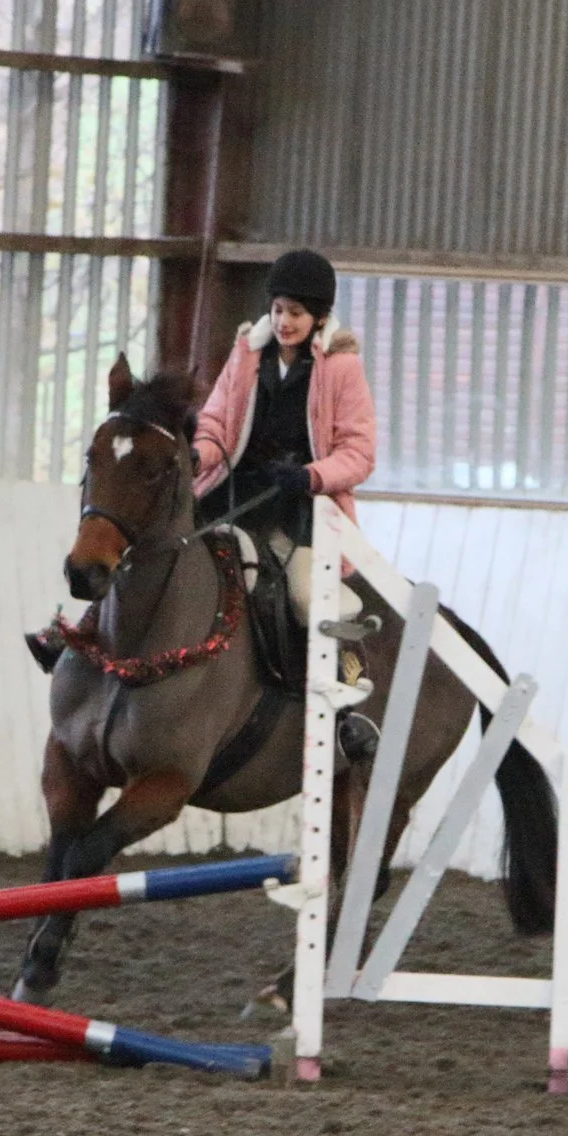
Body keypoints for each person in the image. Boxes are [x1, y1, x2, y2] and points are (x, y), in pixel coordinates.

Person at [190, 248, 382, 760]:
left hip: (299, 502)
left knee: (303, 594)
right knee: (163, 548)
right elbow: (216, 424)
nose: (283, 321)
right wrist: (198, 454)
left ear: (318, 316)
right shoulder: (247, 353)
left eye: (295, 312)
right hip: (236, 491)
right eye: (277, 310)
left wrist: (310, 476)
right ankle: (81, 638)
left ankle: (349, 704)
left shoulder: (341, 366)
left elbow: (359, 453)